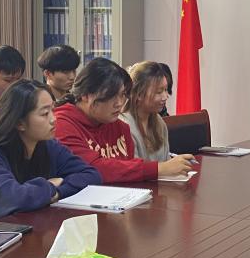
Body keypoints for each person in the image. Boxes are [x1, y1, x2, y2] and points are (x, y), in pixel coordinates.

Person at [0, 80, 101, 220]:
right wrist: (49, 186)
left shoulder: (47, 146)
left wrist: (57, 192)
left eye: (53, 110)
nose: (53, 119)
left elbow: (91, 175)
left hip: (33, 229)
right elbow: (13, 199)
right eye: (45, 113)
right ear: (19, 123)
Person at [54, 58, 193, 181]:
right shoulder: (62, 124)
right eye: (111, 96)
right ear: (86, 95)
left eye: (122, 95)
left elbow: (129, 172)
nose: (119, 103)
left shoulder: (119, 126)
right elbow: (92, 169)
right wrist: (158, 169)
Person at [122, 61, 194, 164]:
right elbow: (133, 169)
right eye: (159, 92)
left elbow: (166, 161)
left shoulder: (159, 122)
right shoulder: (124, 126)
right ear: (139, 94)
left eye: (166, 90)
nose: (165, 97)